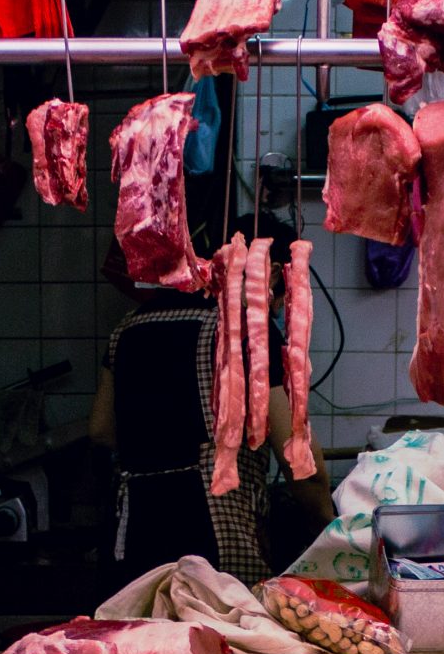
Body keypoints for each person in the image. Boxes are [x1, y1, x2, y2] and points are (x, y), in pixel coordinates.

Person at [88, 225, 331, 581]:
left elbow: (101, 431)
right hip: (214, 543)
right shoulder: (248, 329)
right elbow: (300, 463)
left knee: (148, 635)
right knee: (220, 636)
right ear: (276, 272)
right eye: (285, 296)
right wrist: (328, 528)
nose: (280, 308)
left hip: (138, 536)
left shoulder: (128, 327)